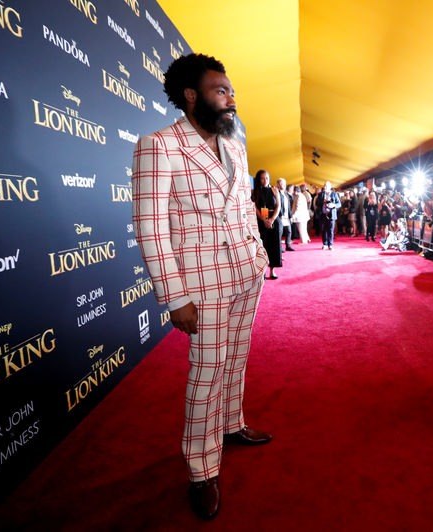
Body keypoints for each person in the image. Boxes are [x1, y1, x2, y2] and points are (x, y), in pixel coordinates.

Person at [131, 53, 271, 521]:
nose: (231, 99)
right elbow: (150, 227)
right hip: (201, 284)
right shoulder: (159, 146)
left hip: (247, 270)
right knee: (206, 373)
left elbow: (243, 205)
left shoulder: (234, 146)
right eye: (221, 91)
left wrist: (259, 254)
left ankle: (232, 425)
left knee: (237, 356)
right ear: (191, 96)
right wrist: (174, 295)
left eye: (231, 91)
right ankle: (201, 468)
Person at [253, 170, 282, 279]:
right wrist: (264, 220)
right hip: (261, 220)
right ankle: (263, 271)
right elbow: (255, 208)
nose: (264, 180)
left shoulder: (274, 190)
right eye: (262, 178)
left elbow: (278, 206)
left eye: (266, 178)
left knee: (275, 245)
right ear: (258, 179)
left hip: (274, 220)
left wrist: (272, 219)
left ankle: (272, 270)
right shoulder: (255, 191)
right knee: (263, 246)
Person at [320, 181, 341, 249]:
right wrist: (323, 201)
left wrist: (333, 205)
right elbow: (318, 203)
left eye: (326, 186)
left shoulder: (334, 194)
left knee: (331, 230)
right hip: (323, 214)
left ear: (330, 187)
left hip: (331, 215)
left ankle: (330, 244)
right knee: (323, 230)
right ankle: (325, 244)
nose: (325, 187)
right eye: (324, 185)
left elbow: (339, 204)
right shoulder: (321, 194)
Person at [277, 178, 295, 252]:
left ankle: (288, 246)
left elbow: (289, 206)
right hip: (280, 215)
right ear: (278, 184)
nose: (283, 185)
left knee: (289, 231)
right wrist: (280, 214)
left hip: (287, 216)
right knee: (280, 232)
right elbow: (277, 205)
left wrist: (291, 216)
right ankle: (280, 247)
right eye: (281, 183)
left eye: (284, 184)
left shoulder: (286, 194)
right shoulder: (276, 193)